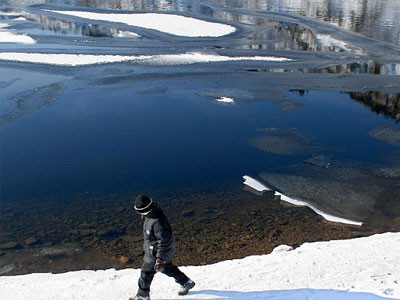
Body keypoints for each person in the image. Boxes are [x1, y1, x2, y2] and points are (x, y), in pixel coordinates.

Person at [130, 194, 195, 300]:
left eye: (140, 211)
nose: (139, 214)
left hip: (157, 253)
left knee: (146, 273)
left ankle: (143, 295)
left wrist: (160, 259)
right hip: (156, 251)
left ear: (146, 209)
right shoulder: (151, 214)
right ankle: (186, 282)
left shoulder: (158, 222)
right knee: (167, 268)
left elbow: (165, 241)